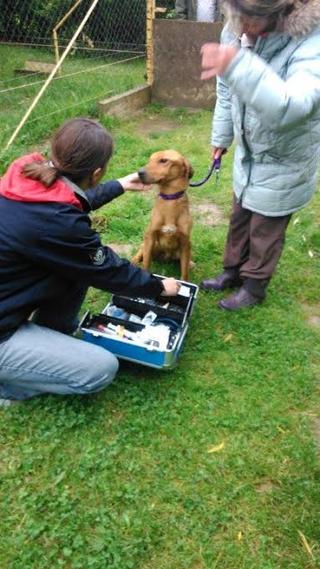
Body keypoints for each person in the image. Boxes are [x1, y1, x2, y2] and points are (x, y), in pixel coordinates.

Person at [0, 118, 181, 403]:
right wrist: (159, 287)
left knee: (73, 269)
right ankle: (10, 387)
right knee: (99, 369)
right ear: (96, 173)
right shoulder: (59, 225)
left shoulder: (27, 173)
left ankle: (48, 336)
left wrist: (120, 185)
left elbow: (67, 201)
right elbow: (107, 269)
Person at [200, 0, 320, 310]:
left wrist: (238, 64)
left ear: (277, 13)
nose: (238, 27)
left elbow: (292, 106)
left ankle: (254, 287)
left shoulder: (312, 40)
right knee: (240, 214)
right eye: (233, 18)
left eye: (246, 20)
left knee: (266, 226)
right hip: (251, 150)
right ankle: (231, 272)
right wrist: (222, 136)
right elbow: (227, 91)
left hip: (287, 155)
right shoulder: (237, 27)